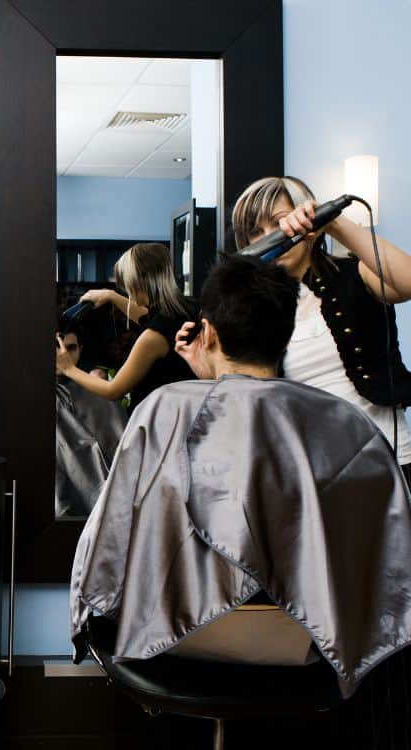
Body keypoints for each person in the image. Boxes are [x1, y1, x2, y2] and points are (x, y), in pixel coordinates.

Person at [71, 255, 411, 702]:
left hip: (175, 638)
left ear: (207, 331)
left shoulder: (164, 409)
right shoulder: (343, 420)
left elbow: (109, 538)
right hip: (310, 640)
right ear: (285, 334)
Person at [231, 175, 411, 474]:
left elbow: (407, 283)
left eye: (280, 223)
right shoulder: (255, 310)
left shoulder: (355, 275)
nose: (270, 237)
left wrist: (334, 223)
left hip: (385, 460)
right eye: (255, 232)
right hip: (310, 470)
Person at [56, 242, 197, 412]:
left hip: (157, 423)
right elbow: (146, 316)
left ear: (138, 282)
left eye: (127, 285)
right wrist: (111, 296)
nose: (127, 292)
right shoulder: (188, 308)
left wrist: (68, 368)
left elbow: (113, 390)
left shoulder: (153, 338)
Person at [55, 325, 127, 517]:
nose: (65, 355)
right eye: (59, 347)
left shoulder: (99, 392)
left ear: (81, 349)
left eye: (71, 348)